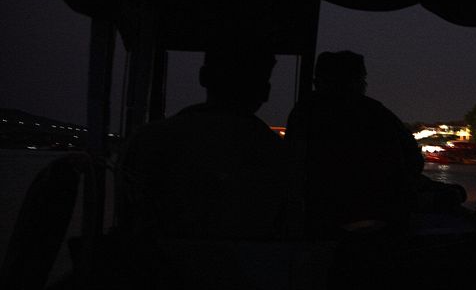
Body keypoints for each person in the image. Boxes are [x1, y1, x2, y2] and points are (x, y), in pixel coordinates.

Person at [117, 39, 288, 240]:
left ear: (203, 77)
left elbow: (128, 221)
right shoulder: (277, 155)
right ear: (265, 91)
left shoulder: (147, 140)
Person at [286, 51, 426, 238]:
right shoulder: (376, 113)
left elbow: (292, 166)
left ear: (318, 82)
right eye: (362, 79)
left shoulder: (303, 112)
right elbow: (413, 160)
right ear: (356, 81)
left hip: (317, 219)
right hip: (377, 219)